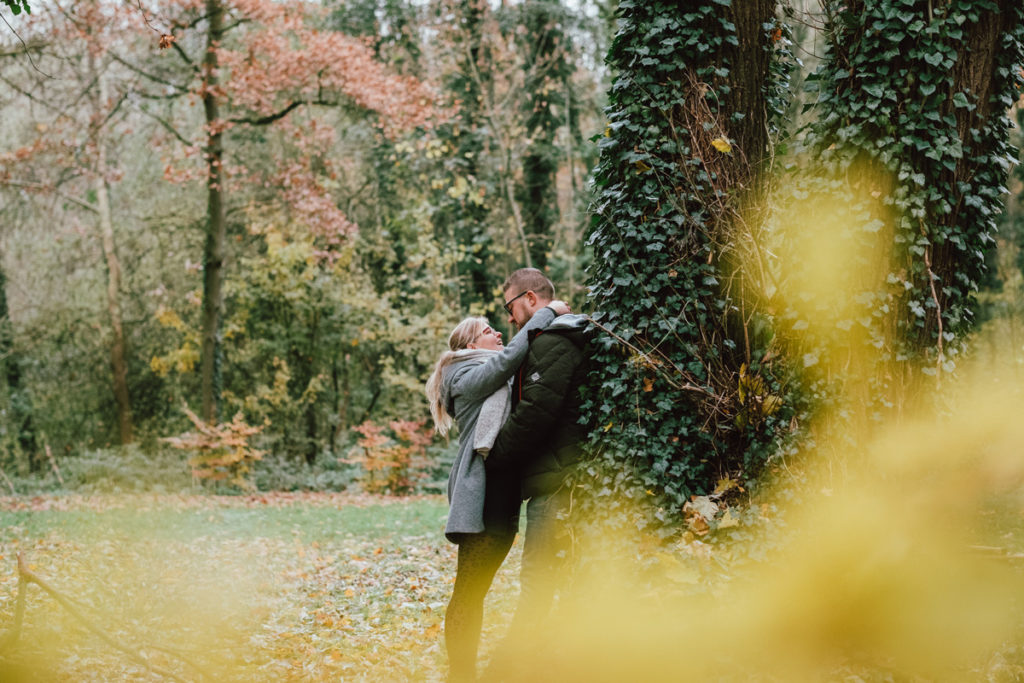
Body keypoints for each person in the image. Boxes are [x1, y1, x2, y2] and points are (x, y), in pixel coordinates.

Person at [426, 298, 570, 683]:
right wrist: (547, 312)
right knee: (469, 591)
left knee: (478, 590)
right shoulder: (462, 376)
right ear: (471, 346)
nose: (498, 332)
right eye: (488, 331)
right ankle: (461, 675)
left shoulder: (491, 371)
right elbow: (507, 362)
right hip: (483, 494)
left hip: (502, 494)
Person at [484, 268, 591, 662]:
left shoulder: (554, 342)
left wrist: (492, 460)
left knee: (537, 581)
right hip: (553, 477)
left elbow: (535, 413)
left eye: (510, 306)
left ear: (530, 299)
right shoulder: (549, 339)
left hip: (558, 482)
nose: (509, 318)